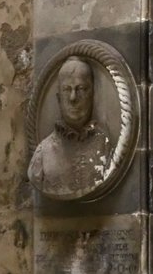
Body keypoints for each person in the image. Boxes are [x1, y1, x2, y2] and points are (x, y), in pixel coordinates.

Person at [28, 55, 113, 200]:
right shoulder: (43, 154)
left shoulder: (106, 147)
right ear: (58, 98)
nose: (73, 98)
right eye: (67, 89)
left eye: (81, 89)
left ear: (92, 95)